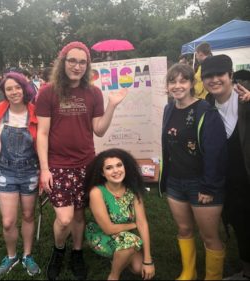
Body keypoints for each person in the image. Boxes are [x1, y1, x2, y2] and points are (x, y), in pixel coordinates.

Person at [35, 41, 127, 280]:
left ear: (87, 66)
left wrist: (112, 106)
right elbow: (42, 133)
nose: (77, 66)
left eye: (82, 62)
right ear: (63, 62)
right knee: (64, 218)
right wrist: (44, 170)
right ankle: (58, 250)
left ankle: (76, 253)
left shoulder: (93, 92)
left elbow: (99, 130)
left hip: (86, 163)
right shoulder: (47, 92)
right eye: (72, 60)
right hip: (58, 165)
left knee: (78, 214)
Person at [160, 63, 227, 280]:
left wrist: (208, 186)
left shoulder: (205, 111)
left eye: (183, 81)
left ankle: (212, 277)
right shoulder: (168, 109)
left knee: (209, 237)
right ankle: (189, 272)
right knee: (184, 230)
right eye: (172, 81)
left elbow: (215, 153)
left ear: (192, 84)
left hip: (203, 184)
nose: (177, 86)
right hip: (175, 184)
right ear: (168, 85)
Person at [202, 55, 250, 280]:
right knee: (240, 222)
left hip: (247, 173)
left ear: (231, 75)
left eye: (219, 74)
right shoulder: (207, 106)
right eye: (208, 76)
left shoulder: (245, 97)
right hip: (228, 178)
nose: (214, 80)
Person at [0, 72, 41, 277]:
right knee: (8, 221)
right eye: (8, 89)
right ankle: (11, 256)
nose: (13, 92)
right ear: (4, 92)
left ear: (24, 88)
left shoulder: (36, 113)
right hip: (6, 170)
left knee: (28, 215)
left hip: (30, 171)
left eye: (17, 87)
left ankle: (27, 255)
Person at [85, 148, 155, 280]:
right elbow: (108, 229)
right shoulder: (97, 192)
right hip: (101, 235)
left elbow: (143, 224)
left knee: (138, 268)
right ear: (103, 173)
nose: (116, 170)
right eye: (109, 168)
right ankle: (113, 276)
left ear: (125, 167)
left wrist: (148, 260)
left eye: (119, 165)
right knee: (130, 242)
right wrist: (134, 225)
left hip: (124, 235)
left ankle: (119, 257)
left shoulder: (133, 190)